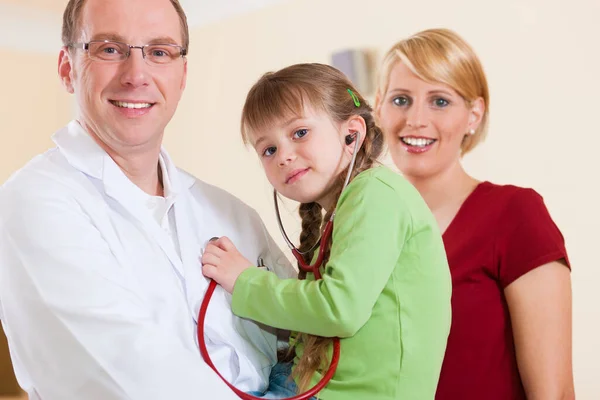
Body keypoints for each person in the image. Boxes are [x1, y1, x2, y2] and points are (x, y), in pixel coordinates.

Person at [0, 0, 295, 399]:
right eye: (109, 49)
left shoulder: (231, 214)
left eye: (159, 52)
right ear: (67, 68)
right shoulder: (33, 202)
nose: (136, 75)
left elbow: (307, 337)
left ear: (182, 75)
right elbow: (124, 376)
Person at [201, 63, 452, 400]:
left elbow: (339, 310)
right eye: (269, 149)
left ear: (352, 133)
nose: (284, 157)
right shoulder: (352, 206)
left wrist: (244, 280)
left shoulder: (377, 194)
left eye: (299, 133)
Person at [374, 28, 575, 400]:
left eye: (440, 101)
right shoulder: (360, 228)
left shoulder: (515, 215)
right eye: (401, 99)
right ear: (378, 108)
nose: (416, 119)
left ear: (474, 114)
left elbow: (555, 393)